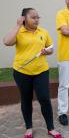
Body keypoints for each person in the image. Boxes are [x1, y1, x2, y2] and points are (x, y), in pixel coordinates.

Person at [3, 8, 62, 138]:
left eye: (37, 17)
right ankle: (28, 127)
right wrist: (18, 25)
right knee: (26, 99)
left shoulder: (43, 32)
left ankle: (50, 128)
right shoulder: (18, 31)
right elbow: (7, 42)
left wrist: (47, 51)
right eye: (33, 17)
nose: (36, 20)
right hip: (21, 72)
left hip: (41, 71)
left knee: (45, 99)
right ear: (24, 18)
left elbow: (51, 48)